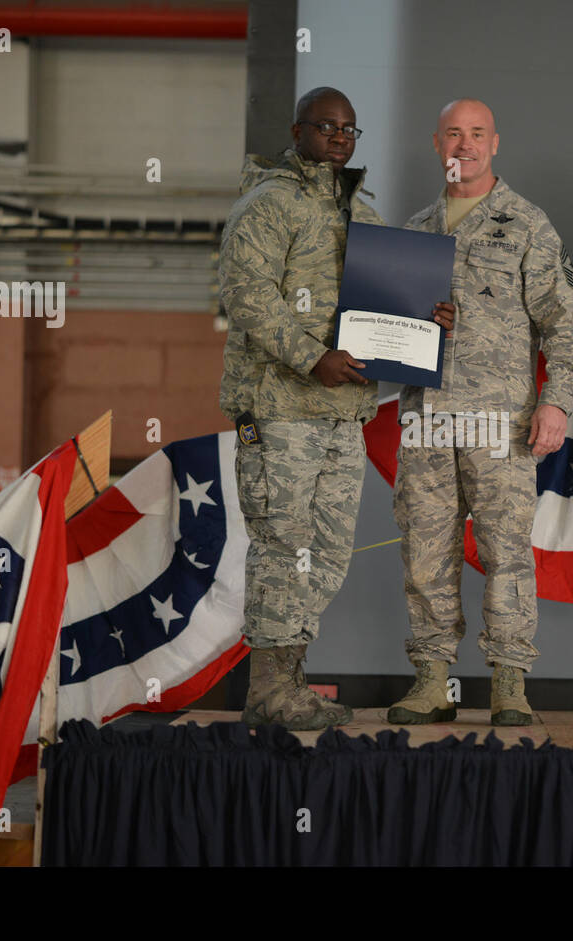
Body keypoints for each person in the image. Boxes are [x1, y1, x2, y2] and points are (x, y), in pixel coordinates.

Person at [387, 98, 573, 726]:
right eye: (454, 134)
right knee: (425, 552)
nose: (465, 145)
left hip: (500, 423)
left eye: (477, 134)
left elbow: (567, 324)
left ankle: (509, 681)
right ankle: (430, 682)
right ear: (437, 144)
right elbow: (381, 331)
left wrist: (557, 401)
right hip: (426, 419)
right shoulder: (415, 229)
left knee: (506, 551)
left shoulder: (528, 224)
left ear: (494, 144)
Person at [217, 86, 387, 730]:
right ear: (298, 131)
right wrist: (311, 355)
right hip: (282, 406)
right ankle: (266, 691)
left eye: (349, 129)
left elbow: (386, 298)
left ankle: (287, 685)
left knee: (328, 553)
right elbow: (248, 296)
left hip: (343, 412)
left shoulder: (362, 212)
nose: (340, 137)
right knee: (282, 547)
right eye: (327, 126)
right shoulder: (267, 204)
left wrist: (425, 318)